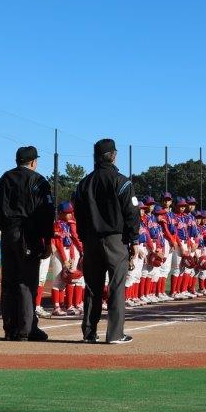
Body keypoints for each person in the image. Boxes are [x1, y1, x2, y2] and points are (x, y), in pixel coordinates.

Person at [72, 138, 140, 344]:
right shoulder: (122, 181)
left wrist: (84, 237)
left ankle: (89, 333)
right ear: (114, 156)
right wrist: (134, 240)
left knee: (92, 287)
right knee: (116, 286)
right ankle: (115, 334)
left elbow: (78, 213)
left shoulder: (84, 183)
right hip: (115, 240)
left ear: (95, 157)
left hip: (91, 240)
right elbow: (132, 213)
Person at [0, 145, 55, 342]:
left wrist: (5, 227)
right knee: (26, 282)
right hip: (28, 235)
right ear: (33, 162)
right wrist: (47, 240)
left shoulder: (5, 178)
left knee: (8, 282)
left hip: (8, 234)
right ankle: (27, 329)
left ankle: (10, 329)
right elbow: (46, 213)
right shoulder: (38, 180)